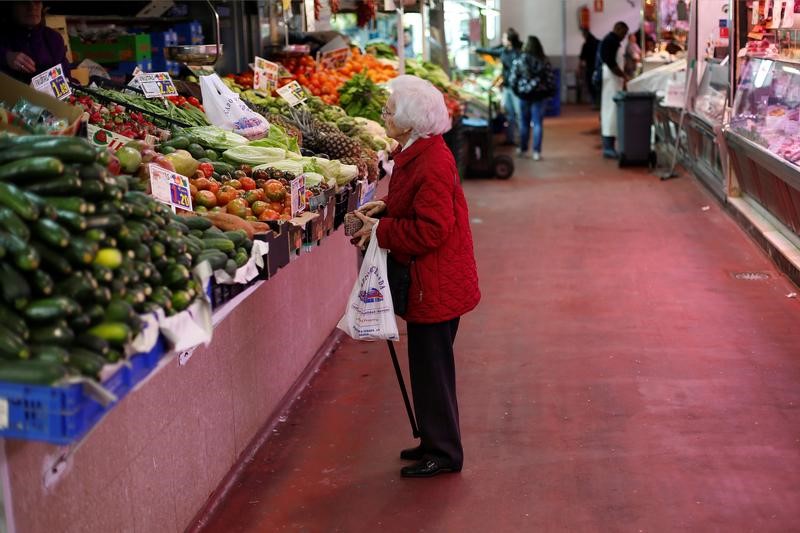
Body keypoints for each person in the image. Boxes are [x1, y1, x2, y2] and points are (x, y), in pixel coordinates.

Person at [351, 75, 480, 478]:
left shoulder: (433, 160)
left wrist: (381, 231)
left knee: (433, 370)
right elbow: (415, 203)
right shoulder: (416, 151)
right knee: (426, 367)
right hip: (430, 282)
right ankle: (432, 440)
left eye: (390, 111)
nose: (383, 115)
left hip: (435, 284)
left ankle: (444, 454)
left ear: (409, 121)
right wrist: (386, 207)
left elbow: (432, 229)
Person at [0, 1, 70, 84]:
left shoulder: (54, 38)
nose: (32, 7)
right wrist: (6, 56)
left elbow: (65, 76)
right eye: (24, 2)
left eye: (37, 1)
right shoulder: (3, 36)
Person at [507, 36, 553, 161]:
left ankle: (523, 149)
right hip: (540, 96)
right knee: (537, 123)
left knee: (524, 123)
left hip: (524, 96)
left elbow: (512, 79)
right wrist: (548, 92)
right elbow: (550, 79)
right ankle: (536, 152)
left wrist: (518, 91)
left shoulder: (520, 60)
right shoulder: (544, 60)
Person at [477, 28, 523, 146]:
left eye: (504, 37)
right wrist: (477, 49)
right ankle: (510, 138)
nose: (502, 39)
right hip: (507, 87)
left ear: (510, 40)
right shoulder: (504, 51)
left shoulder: (517, 53)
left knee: (519, 114)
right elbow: (491, 51)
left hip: (516, 88)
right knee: (509, 113)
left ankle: (522, 140)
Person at [599, 21, 629, 159]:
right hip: (610, 81)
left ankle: (610, 145)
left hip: (614, 81)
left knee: (612, 113)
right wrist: (624, 76)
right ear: (618, 29)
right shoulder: (610, 41)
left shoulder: (612, 40)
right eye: (623, 33)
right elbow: (611, 63)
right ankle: (608, 147)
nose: (624, 36)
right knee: (609, 113)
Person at [578, 28, 599, 107]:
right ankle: (598, 102)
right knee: (597, 85)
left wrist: (579, 68)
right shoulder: (597, 42)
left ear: (585, 35)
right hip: (598, 67)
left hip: (590, 67)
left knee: (590, 84)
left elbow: (581, 58)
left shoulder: (586, 45)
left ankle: (594, 102)